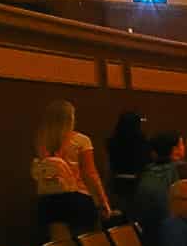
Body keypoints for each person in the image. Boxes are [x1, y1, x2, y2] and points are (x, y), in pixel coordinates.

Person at [30, 99, 110, 237]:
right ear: (71, 118)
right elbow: (90, 174)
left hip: (49, 200)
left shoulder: (42, 141)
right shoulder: (81, 140)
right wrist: (103, 201)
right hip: (77, 198)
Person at [131, 131, 187, 238]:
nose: (184, 147)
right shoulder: (184, 169)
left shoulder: (144, 171)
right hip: (176, 233)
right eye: (182, 144)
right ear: (175, 149)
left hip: (147, 233)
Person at [105, 110, 147, 212]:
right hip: (138, 180)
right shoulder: (141, 141)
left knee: (120, 210)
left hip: (118, 180)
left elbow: (110, 164)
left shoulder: (113, 141)